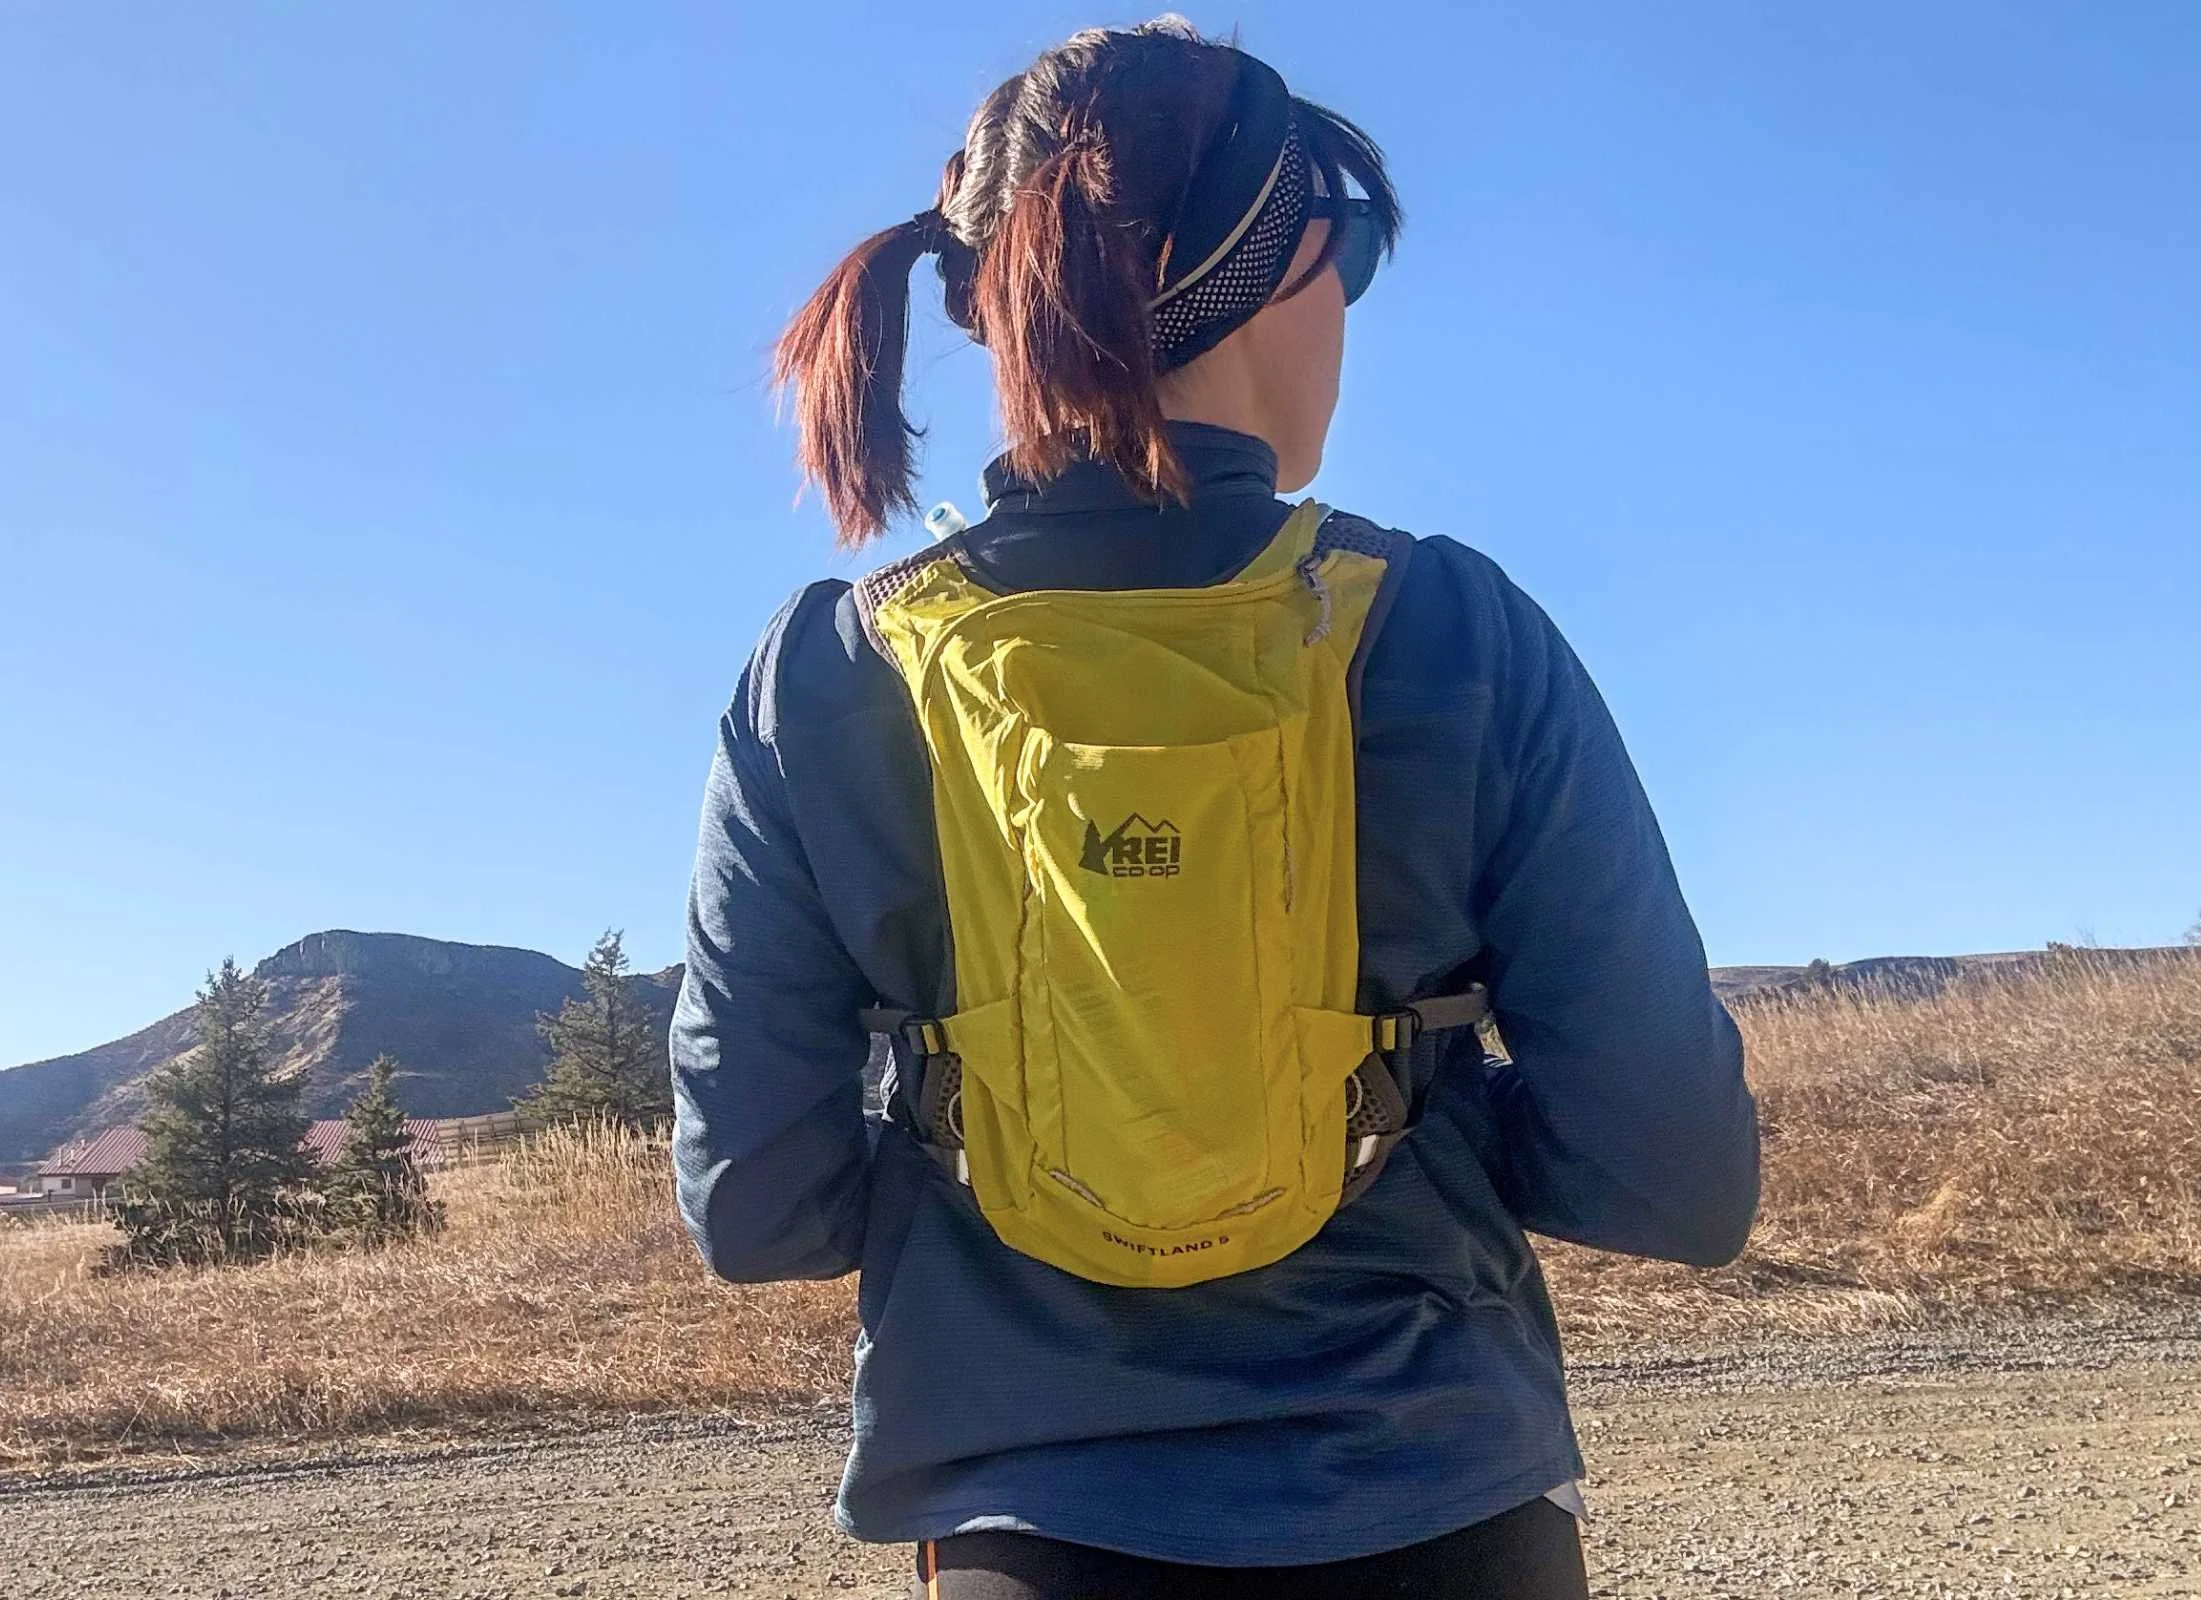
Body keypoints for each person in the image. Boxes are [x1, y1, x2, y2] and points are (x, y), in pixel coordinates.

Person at [671, 18, 1759, 1598]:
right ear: (1286, 260)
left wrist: (1006, 1143)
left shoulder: (829, 675)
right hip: (1445, 1517)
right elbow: (1676, 1175)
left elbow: (756, 1206)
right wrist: (1398, 1116)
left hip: (1022, 1535)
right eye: (1358, 258)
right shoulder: (1455, 631)